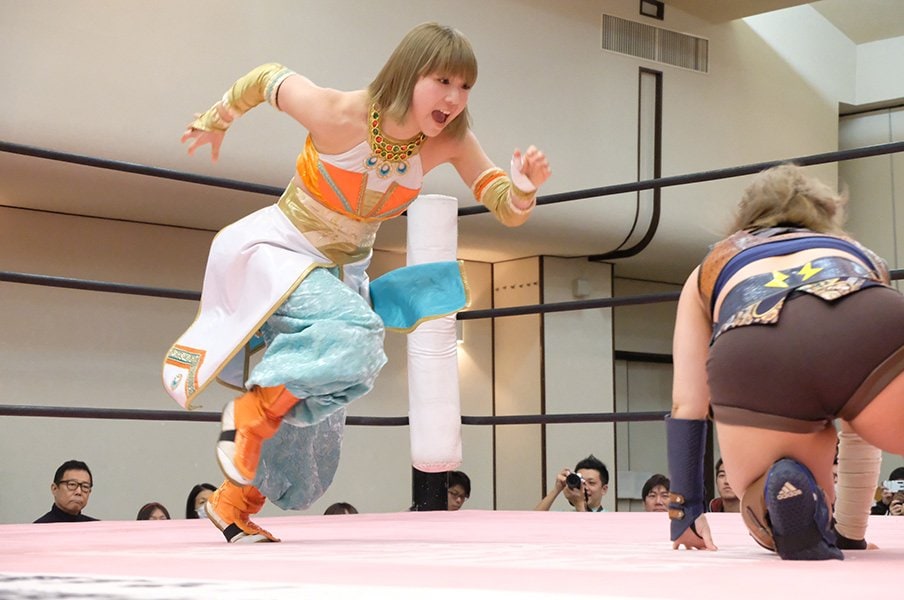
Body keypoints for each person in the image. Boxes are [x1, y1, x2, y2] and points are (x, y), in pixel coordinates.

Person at [163, 22, 550, 544]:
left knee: (337, 385)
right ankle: (248, 415)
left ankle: (233, 501)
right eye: (443, 81)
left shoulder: (451, 139)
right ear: (409, 75)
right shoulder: (341, 113)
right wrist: (217, 119)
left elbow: (504, 204)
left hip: (339, 276)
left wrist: (523, 188)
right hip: (279, 254)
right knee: (358, 334)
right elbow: (266, 77)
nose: (454, 99)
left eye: (465, 87)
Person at [667, 164, 904, 560]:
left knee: (768, 497)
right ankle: (844, 530)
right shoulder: (854, 250)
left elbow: (688, 402)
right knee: (867, 397)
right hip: (864, 309)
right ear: (826, 210)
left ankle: (782, 497)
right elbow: (859, 423)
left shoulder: (709, 267)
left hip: (756, 347)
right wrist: (852, 534)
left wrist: (684, 510)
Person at [535, 455, 609, 512]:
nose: (585, 487)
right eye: (581, 481)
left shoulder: (610, 518)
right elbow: (533, 520)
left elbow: (587, 527)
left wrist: (579, 504)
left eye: (591, 483)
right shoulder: (565, 515)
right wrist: (556, 489)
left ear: (604, 489)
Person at [34, 460, 99, 523]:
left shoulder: (96, 527)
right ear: (54, 489)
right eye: (72, 484)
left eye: (85, 486)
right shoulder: (39, 527)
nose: (79, 492)